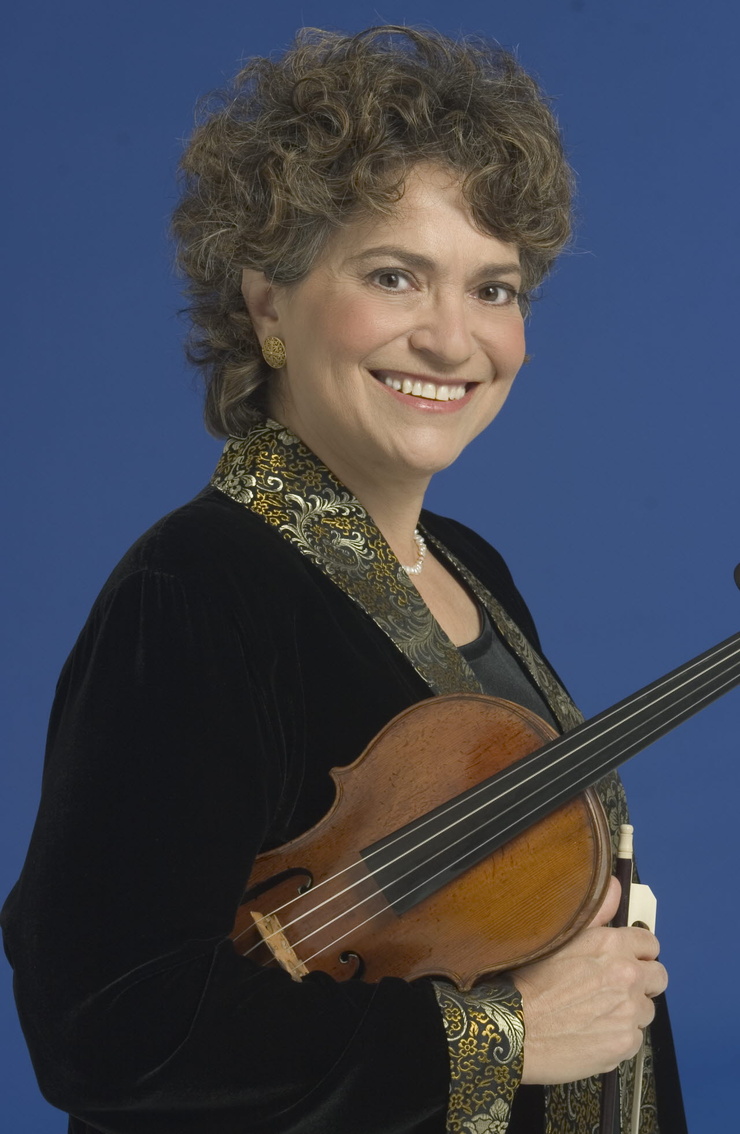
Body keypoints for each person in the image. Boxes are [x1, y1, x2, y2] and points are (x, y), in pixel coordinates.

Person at [1, 25, 685, 1134]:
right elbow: (110, 1029)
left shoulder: (471, 569)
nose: (453, 340)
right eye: (393, 276)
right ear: (267, 303)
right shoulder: (194, 593)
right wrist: (504, 1036)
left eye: (494, 289)